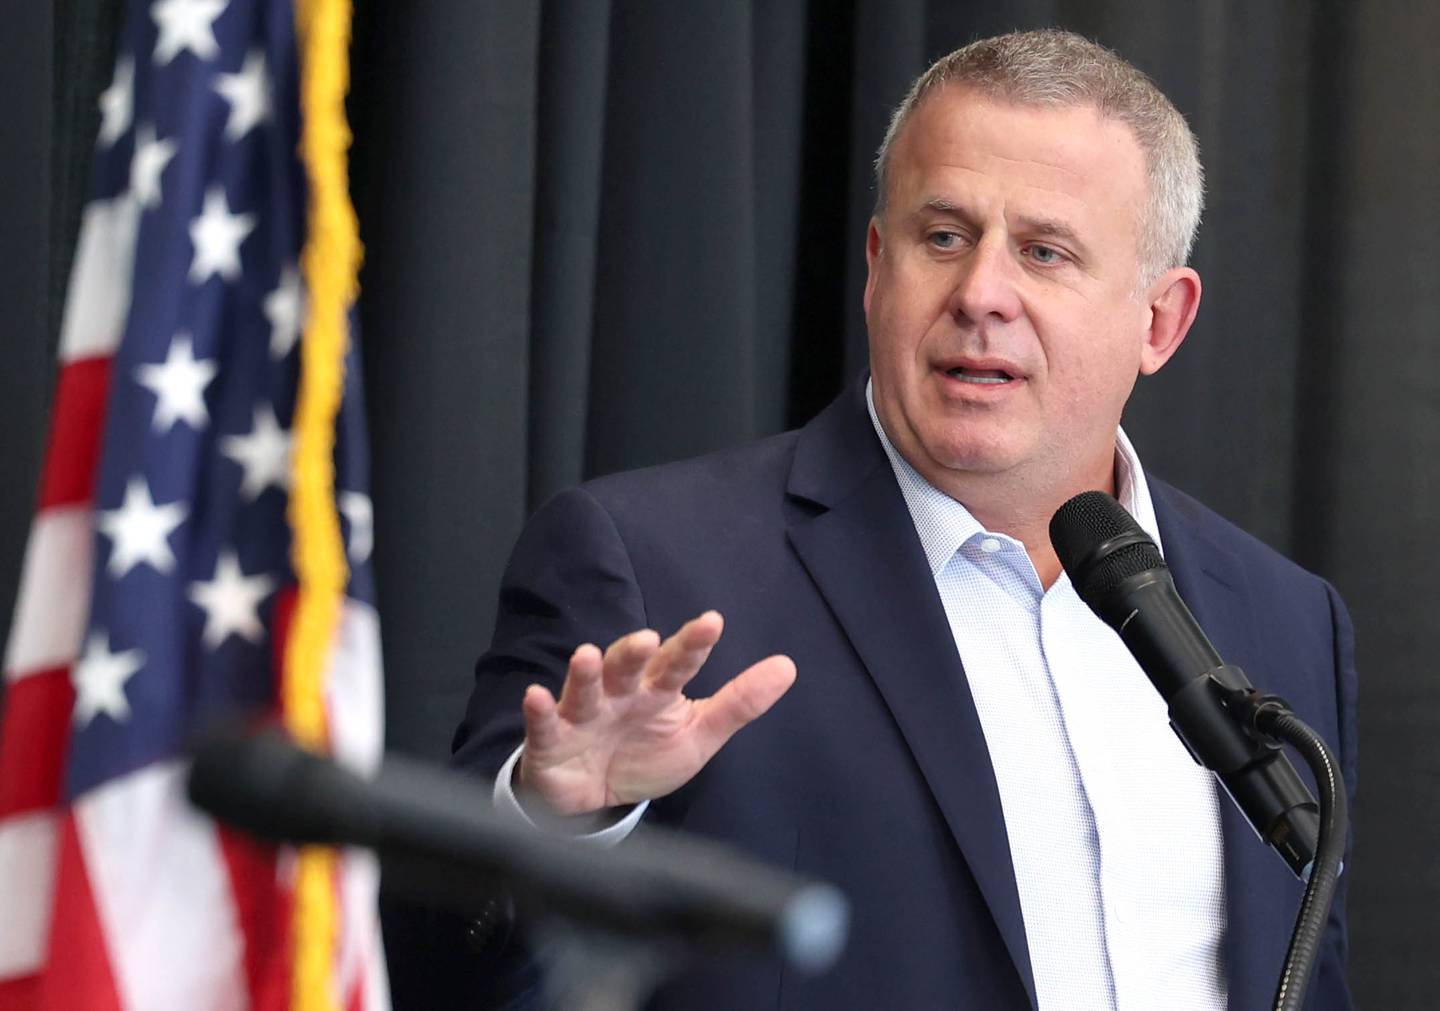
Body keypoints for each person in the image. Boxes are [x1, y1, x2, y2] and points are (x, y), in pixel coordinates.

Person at [452, 29, 1356, 1010]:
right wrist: (558, 827)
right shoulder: (648, 563)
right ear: (878, 267)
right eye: (943, 237)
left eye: (1044, 252)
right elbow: (440, 969)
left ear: (1161, 321)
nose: (980, 295)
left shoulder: (1285, 616)